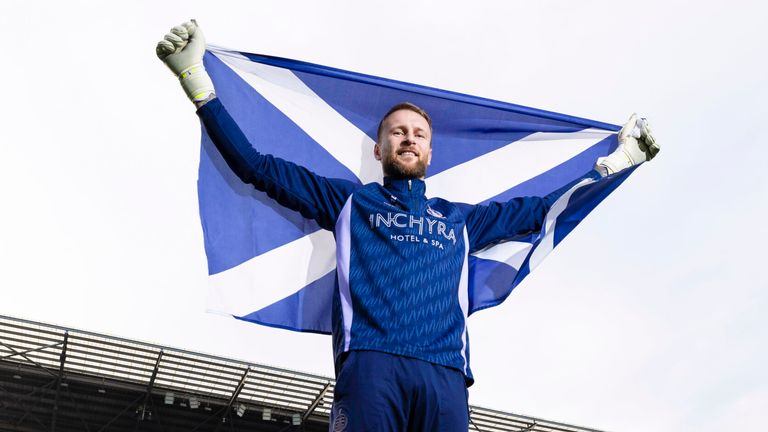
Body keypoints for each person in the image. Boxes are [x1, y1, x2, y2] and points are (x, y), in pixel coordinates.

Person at [156, 21, 659, 431]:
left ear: (430, 152)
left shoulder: (460, 220)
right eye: (397, 131)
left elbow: (543, 208)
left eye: (418, 133)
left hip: (446, 376)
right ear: (379, 149)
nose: (408, 138)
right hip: (373, 367)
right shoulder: (348, 201)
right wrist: (197, 83)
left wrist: (614, 167)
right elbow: (256, 166)